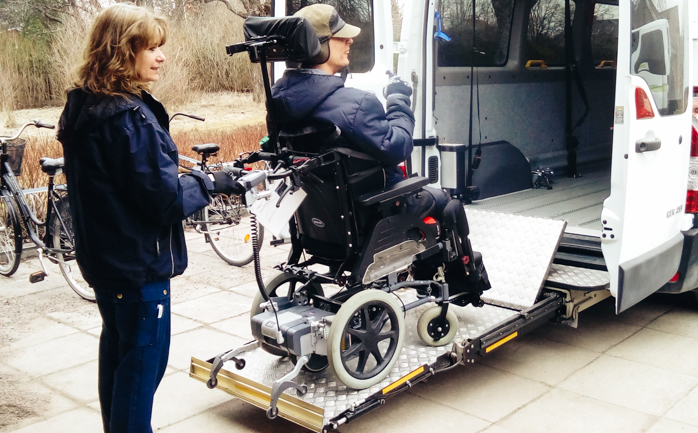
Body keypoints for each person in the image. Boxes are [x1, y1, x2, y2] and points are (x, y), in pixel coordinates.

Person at [56, 4, 242, 433]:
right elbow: (165, 201)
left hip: (106, 262)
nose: (161, 57)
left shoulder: (87, 105)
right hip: (138, 267)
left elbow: (125, 185)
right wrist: (212, 182)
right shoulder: (127, 118)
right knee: (142, 371)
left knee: (118, 359)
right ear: (122, 51)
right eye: (151, 48)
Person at [271, 3, 447, 213]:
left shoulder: (278, 104)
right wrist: (398, 99)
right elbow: (398, 148)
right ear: (315, 45)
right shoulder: (357, 105)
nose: (350, 40)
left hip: (319, 223)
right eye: (340, 36)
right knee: (447, 202)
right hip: (376, 213)